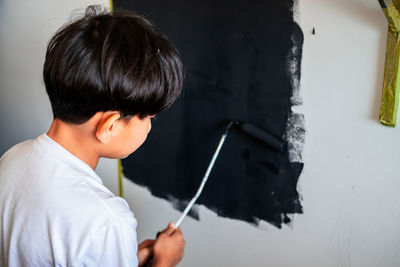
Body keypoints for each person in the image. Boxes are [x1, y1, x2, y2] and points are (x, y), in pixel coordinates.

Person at [0, 5, 185, 267]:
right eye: (148, 117)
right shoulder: (107, 221)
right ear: (109, 126)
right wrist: (164, 262)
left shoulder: (12, 158)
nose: (150, 126)